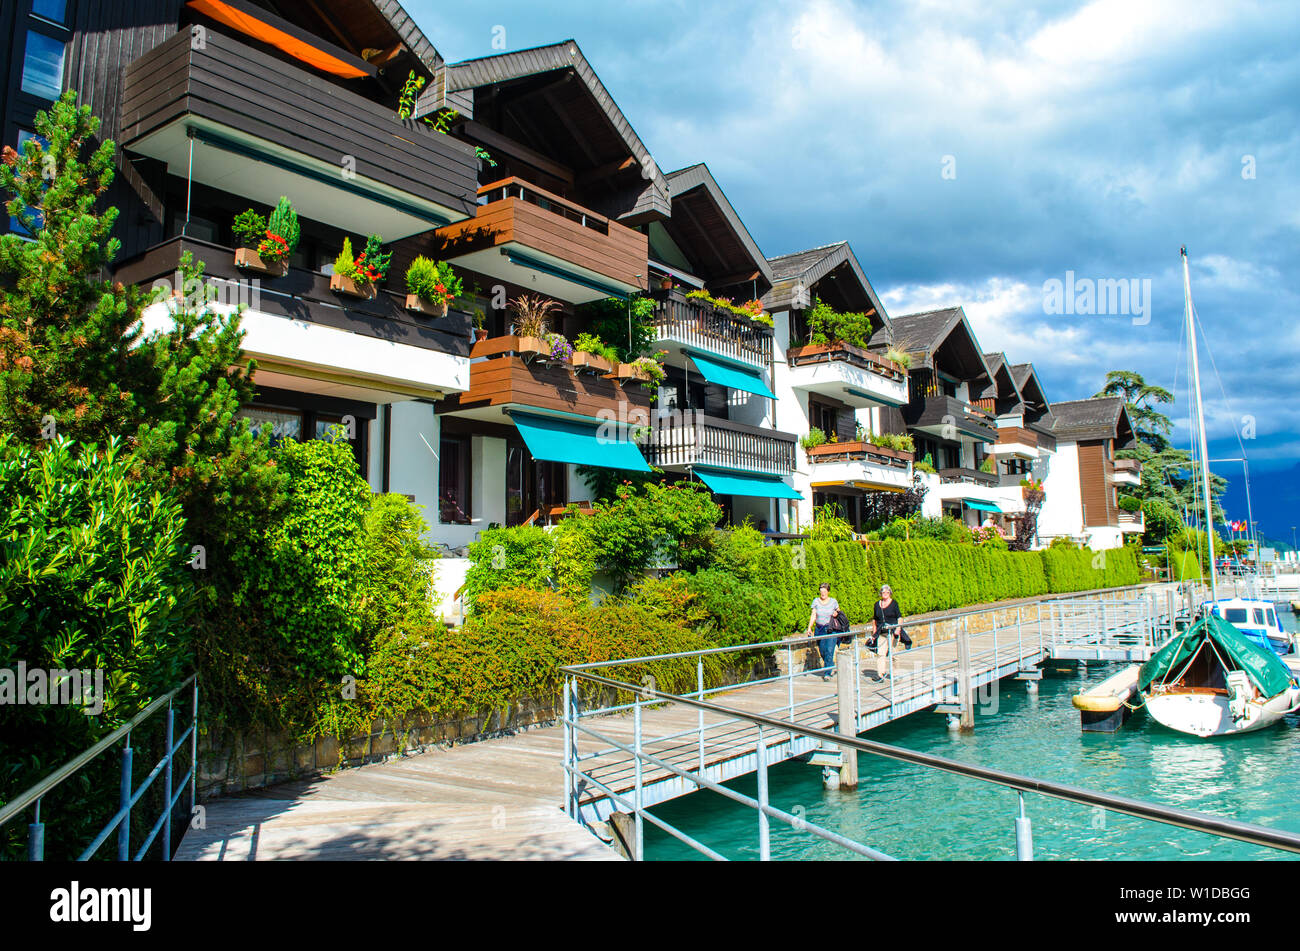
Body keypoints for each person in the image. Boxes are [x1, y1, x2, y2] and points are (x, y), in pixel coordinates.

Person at [871, 584, 911, 679]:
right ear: (880, 593)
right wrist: (874, 633)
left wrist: (898, 629)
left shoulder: (894, 604)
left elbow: (899, 617)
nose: (885, 594)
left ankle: (895, 674)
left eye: (887, 592)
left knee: (894, 654)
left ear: (890, 593)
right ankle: (880, 674)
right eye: (883, 592)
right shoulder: (877, 604)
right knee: (881, 654)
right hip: (881, 632)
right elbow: (875, 620)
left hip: (893, 632)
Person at [805, 582, 841, 679]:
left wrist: (836, 613)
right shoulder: (816, 601)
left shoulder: (833, 601)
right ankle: (831, 666)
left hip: (831, 629)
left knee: (829, 650)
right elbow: (813, 615)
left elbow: (839, 612)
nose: (823, 594)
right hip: (819, 629)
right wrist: (809, 627)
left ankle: (827, 673)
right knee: (823, 651)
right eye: (821, 592)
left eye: (824, 592)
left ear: (828, 592)